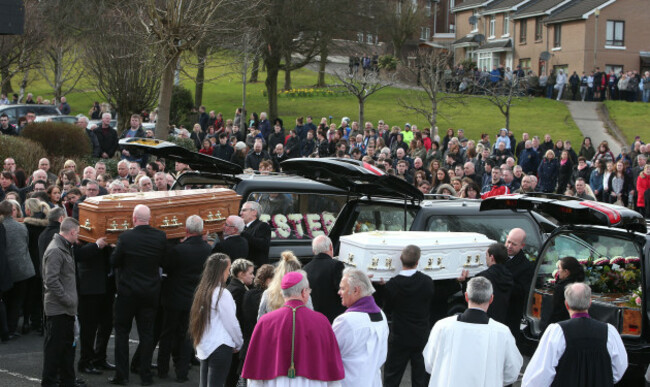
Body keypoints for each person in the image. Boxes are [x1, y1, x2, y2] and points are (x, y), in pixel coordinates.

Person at [241, 271, 344, 386]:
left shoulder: (265, 322)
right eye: (309, 291)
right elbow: (332, 367)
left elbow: (255, 367)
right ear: (304, 292)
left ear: (283, 293)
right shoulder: (322, 322)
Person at [423, 276, 523, 387]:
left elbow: (429, 363)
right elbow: (512, 371)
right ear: (491, 299)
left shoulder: (442, 326)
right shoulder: (502, 332)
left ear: (466, 296)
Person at [522, 283, 627, 386]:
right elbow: (619, 368)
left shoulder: (557, 331)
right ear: (590, 303)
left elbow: (541, 373)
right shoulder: (609, 331)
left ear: (566, 304)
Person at [109, 205, 167, 386]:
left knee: (121, 332)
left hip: (128, 292)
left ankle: (122, 375)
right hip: (150, 292)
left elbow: (114, 262)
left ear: (133, 218)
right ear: (150, 218)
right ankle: (146, 375)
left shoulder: (126, 237)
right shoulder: (160, 236)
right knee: (147, 334)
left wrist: (114, 249)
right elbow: (164, 261)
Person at [158, 215, 212, 382]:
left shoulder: (178, 250)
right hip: (194, 298)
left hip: (173, 297)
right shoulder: (208, 250)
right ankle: (182, 373)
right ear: (202, 230)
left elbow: (166, 266)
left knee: (167, 333)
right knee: (187, 335)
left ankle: (162, 370)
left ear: (186, 230)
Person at [383, 245, 434, 387]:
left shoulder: (392, 285)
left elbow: (387, 309)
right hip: (420, 336)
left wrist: (382, 288)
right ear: (418, 261)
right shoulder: (427, 282)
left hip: (399, 336)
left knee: (392, 377)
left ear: (400, 259)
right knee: (420, 379)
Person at [190, 253, 243, 387]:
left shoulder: (202, 291)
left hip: (204, 346)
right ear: (221, 271)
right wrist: (239, 342)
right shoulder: (222, 294)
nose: (229, 273)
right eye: (228, 269)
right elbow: (231, 323)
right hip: (220, 346)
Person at [41, 217, 82, 387]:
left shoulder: (63, 247)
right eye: (78, 233)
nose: (78, 237)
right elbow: (51, 280)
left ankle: (68, 381)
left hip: (65, 309)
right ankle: (50, 383)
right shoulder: (56, 250)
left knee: (67, 350)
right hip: (59, 309)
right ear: (72, 232)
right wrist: (67, 299)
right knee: (54, 351)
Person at [333, 268, 389, 387]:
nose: (339, 292)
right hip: (373, 381)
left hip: (349, 382)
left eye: (343, 288)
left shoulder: (346, 321)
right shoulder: (381, 315)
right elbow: (382, 355)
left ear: (356, 291)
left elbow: (330, 355)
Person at [1, 200, 34, 339]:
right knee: (17, 301)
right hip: (23, 268)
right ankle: (12, 328)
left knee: (6, 300)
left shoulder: (2, 227)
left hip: (6, 269)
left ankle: (5, 328)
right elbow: (26, 244)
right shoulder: (21, 227)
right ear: (13, 211)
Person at [458, 243, 513, 325]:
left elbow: (472, 296)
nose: (485, 258)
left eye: (486, 255)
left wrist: (464, 281)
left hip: (484, 320)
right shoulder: (509, 276)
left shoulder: (483, 277)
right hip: (501, 320)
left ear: (492, 258)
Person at [303, 235, 346, 323]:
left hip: (314, 320)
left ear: (313, 250)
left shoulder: (305, 269)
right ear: (331, 247)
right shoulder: (336, 266)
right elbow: (344, 291)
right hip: (335, 320)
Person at [225, 258, 254, 387]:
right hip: (234, 339)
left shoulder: (233, 286)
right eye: (251, 273)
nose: (253, 276)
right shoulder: (239, 290)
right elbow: (235, 317)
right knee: (231, 374)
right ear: (241, 274)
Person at [504, 228, 534, 343]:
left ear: (522, 246)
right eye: (508, 242)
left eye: (514, 244)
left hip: (510, 315)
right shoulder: (497, 254)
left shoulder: (526, 266)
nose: (509, 246)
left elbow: (521, 292)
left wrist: (502, 277)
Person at [544, 257, 585, 328]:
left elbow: (557, 312)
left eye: (559, 268)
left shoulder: (561, 287)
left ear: (566, 272)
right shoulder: (581, 286)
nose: (558, 271)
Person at [239, 201, 271, 267]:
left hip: (256, 268)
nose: (240, 213)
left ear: (254, 212)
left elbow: (262, 245)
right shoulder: (244, 228)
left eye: (244, 210)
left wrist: (243, 233)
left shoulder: (262, 226)